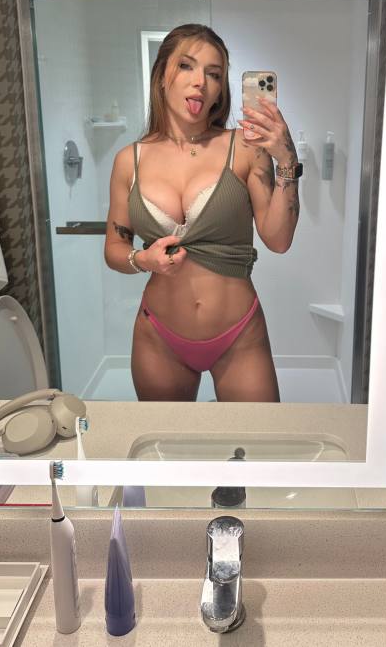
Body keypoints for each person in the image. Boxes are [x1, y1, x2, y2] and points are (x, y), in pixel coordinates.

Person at [104, 24, 301, 402]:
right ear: (162, 76)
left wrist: (287, 160)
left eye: (214, 74)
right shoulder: (129, 161)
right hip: (158, 337)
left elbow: (278, 240)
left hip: (239, 336)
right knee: (166, 441)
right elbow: (114, 248)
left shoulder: (246, 147)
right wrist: (142, 259)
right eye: (186, 66)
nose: (201, 83)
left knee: (260, 437)